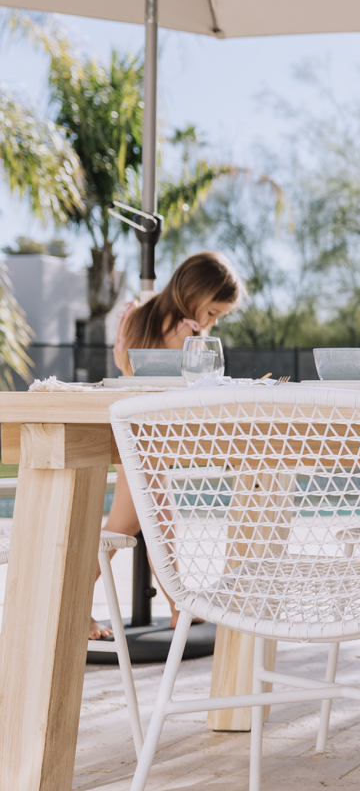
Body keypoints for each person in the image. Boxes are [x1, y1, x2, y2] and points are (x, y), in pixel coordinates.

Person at [101, 252, 244, 632]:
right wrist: (190, 343)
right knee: (123, 527)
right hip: (139, 437)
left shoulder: (141, 315)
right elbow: (175, 381)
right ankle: (75, 603)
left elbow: (123, 365)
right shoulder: (175, 330)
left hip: (144, 437)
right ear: (193, 292)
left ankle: (178, 604)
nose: (212, 322)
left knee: (161, 523)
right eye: (212, 312)